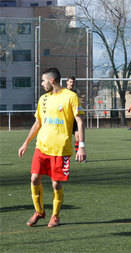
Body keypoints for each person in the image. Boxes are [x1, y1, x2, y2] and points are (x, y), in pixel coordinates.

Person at [18, 68, 86, 228]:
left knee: (56, 184)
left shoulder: (71, 97)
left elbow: (80, 122)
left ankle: (55, 216)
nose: (41, 84)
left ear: (51, 81)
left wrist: (81, 146)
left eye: (43, 81)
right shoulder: (43, 99)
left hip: (61, 149)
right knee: (34, 178)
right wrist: (26, 143)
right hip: (41, 147)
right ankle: (39, 211)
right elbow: (37, 123)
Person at [66, 76, 80, 152]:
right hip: (66, 118)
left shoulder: (75, 93)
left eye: (73, 82)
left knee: (77, 136)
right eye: (70, 82)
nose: (72, 83)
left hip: (74, 118)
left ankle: (78, 154)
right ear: (67, 82)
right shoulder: (63, 92)